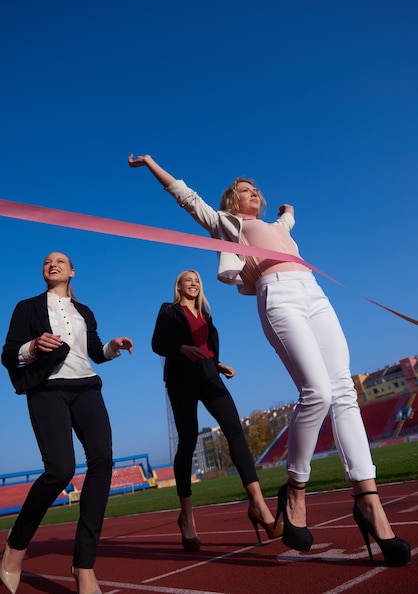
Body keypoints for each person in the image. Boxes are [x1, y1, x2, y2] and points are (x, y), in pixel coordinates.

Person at [129, 152, 411, 567]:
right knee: (315, 392)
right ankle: (295, 490)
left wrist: (289, 213)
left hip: (314, 293)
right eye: (245, 191)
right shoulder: (230, 224)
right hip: (277, 294)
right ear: (231, 202)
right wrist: (153, 164)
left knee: (343, 394)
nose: (254, 194)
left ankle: (370, 505)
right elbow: (187, 198)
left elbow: (285, 225)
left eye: (256, 190)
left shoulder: (277, 225)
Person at [1, 252, 133, 594]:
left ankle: (84, 565)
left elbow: (94, 352)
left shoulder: (84, 311)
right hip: (47, 389)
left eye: (60, 261)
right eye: (46, 262)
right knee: (60, 470)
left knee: (102, 460)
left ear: (72, 271)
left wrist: (113, 347)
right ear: (43, 272)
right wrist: (32, 346)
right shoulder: (26, 307)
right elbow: (8, 353)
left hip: (86, 385)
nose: (52, 264)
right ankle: (15, 546)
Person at [152, 269, 283, 550]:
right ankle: (186, 516)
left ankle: (258, 504)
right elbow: (157, 345)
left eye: (197, 280)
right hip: (182, 379)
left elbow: (208, 349)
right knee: (187, 441)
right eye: (188, 279)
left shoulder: (207, 317)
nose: (194, 283)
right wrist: (182, 348)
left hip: (210, 376)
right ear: (178, 286)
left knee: (235, 430)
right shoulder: (169, 311)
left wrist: (218, 364)